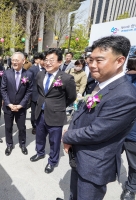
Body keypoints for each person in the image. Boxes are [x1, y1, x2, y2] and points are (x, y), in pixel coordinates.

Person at [61, 35, 136, 200]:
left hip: (93, 165)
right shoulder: (101, 83)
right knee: (74, 194)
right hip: (80, 155)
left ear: (119, 61)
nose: (92, 65)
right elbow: (84, 113)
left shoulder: (125, 95)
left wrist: (67, 135)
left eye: (99, 60)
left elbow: (97, 131)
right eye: (90, 59)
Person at [30, 49, 76, 174]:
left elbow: (71, 97)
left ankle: (52, 161)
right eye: (46, 60)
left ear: (59, 62)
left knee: (54, 140)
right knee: (39, 135)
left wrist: (59, 105)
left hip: (56, 114)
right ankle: (39, 153)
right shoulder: (40, 74)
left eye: (52, 60)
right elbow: (40, 92)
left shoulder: (66, 78)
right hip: (40, 112)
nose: (48, 63)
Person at [1, 52, 33, 156]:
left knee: (22, 127)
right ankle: (9, 144)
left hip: (21, 107)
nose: (14, 62)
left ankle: (22, 144)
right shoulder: (7, 73)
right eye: (12, 60)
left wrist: (21, 105)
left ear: (23, 61)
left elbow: (29, 91)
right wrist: (9, 104)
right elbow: (3, 89)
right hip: (8, 107)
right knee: (8, 127)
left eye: (16, 60)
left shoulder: (28, 74)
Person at [121, 58, 136, 200]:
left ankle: (131, 188)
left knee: (134, 164)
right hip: (115, 130)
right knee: (105, 157)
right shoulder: (121, 79)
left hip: (134, 134)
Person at [29, 52, 46, 135]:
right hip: (35, 95)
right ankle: (34, 126)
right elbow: (29, 82)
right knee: (34, 112)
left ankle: (41, 125)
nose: (46, 62)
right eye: (44, 60)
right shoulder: (33, 69)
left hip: (45, 95)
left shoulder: (47, 69)